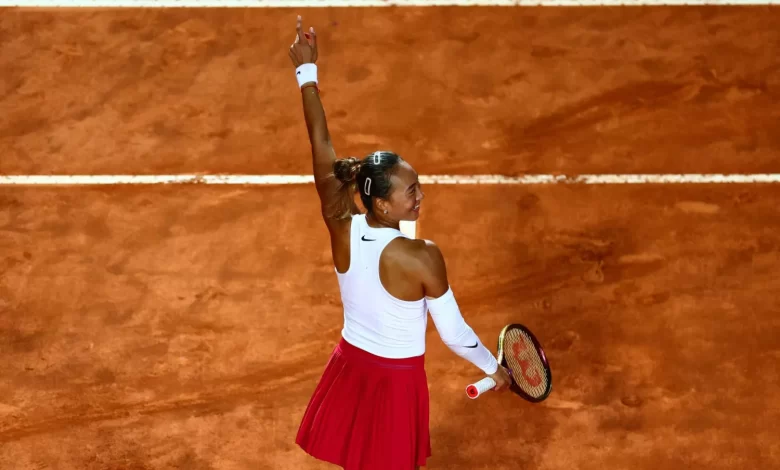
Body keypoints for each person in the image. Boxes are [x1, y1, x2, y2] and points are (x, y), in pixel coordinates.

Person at [288, 15, 512, 470]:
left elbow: (320, 142)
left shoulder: (341, 225)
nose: (420, 196)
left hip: (350, 370)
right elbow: (454, 334)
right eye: (411, 191)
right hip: (395, 384)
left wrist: (306, 73)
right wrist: (495, 369)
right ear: (383, 204)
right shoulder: (423, 257)